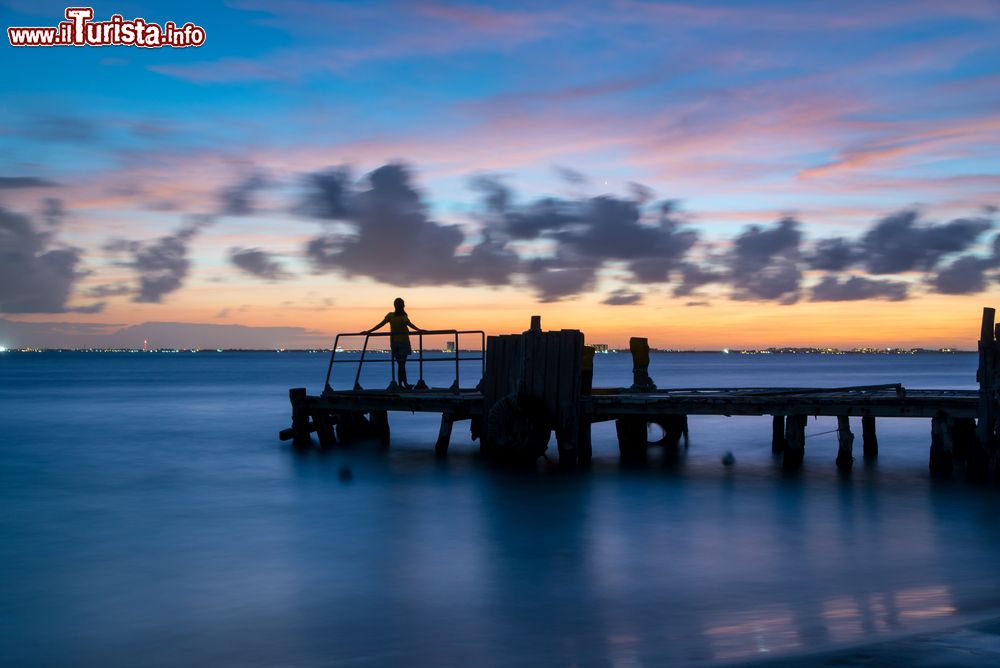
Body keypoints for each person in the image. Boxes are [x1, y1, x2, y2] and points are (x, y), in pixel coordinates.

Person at [366, 298, 425, 389]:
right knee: (402, 364)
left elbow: (380, 324)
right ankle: (403, 384)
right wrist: (419, 330)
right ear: (402, 306)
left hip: (394, 343)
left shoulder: (390, 316)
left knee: (400, 364)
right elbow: (409, 324)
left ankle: (402, 384)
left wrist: (369, 331)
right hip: (404, 342)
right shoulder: (403, 316)